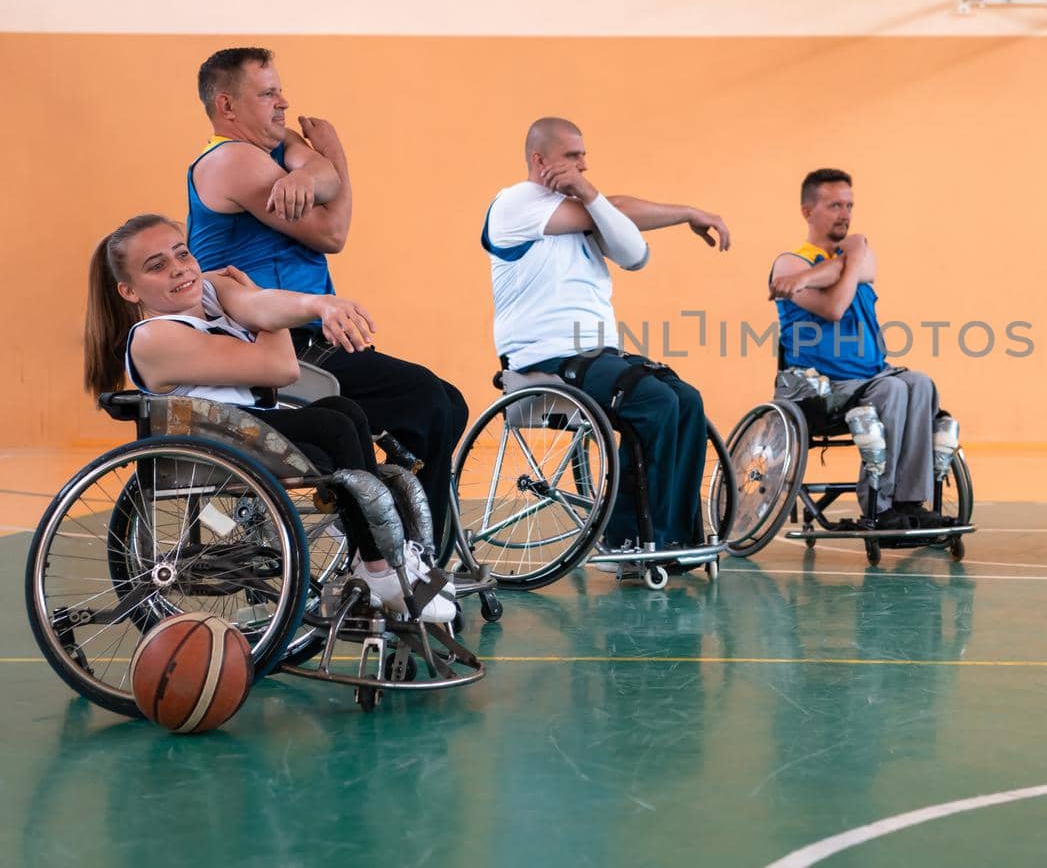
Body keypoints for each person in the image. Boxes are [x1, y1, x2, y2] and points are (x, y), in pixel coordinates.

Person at [84, 213, 454, 621]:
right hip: (217, 440)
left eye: (182, 254)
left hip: (250, 429)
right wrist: (261, 310)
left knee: (343, 411)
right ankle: (378, 569)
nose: (179, 269)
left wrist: (320, 304)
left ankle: (381, 555)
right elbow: (282, 368)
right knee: (333, 423)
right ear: (129, 291)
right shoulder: (155, 337)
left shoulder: (210, 293)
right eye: (156, 266)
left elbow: (261, 305)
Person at [185, 47, 467, 548]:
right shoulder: (232, 160)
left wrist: (307, 171)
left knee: (449, 401)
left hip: (310, 332)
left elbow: (323, 176)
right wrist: (334, 152)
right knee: (425, 400)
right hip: (270, 338)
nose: (283, 102)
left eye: (280, 90)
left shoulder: (276, 145)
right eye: (268, 93)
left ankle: (381, 517)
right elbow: (333, 231)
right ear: (227, 106)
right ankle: (414, 554)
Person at [482, 116, 731, 553]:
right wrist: (598, 199)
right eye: (572, 157)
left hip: (596, 357)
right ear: (539, 160)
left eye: (584, 157)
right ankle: (628, 537)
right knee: (653, 401)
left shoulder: (585, 215)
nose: (583, 167)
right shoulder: (514, 202)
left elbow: (635, 255)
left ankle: (672, 536)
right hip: (545, 359)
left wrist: (600, 200)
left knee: (686, 399)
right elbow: (613, 206)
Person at [768, 168, 942, 528]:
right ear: (807, 211)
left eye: (849, 205)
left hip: (867, 378)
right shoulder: (789, 263)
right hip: (817, 389)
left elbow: (853, 272)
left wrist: (812, 277)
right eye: (834, 205)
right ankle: (880, 506)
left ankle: (910, 502)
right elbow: (834, 308)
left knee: (921, 383)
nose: (845, 214)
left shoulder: (844, 262)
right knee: (893, 388)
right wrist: (851, 258)